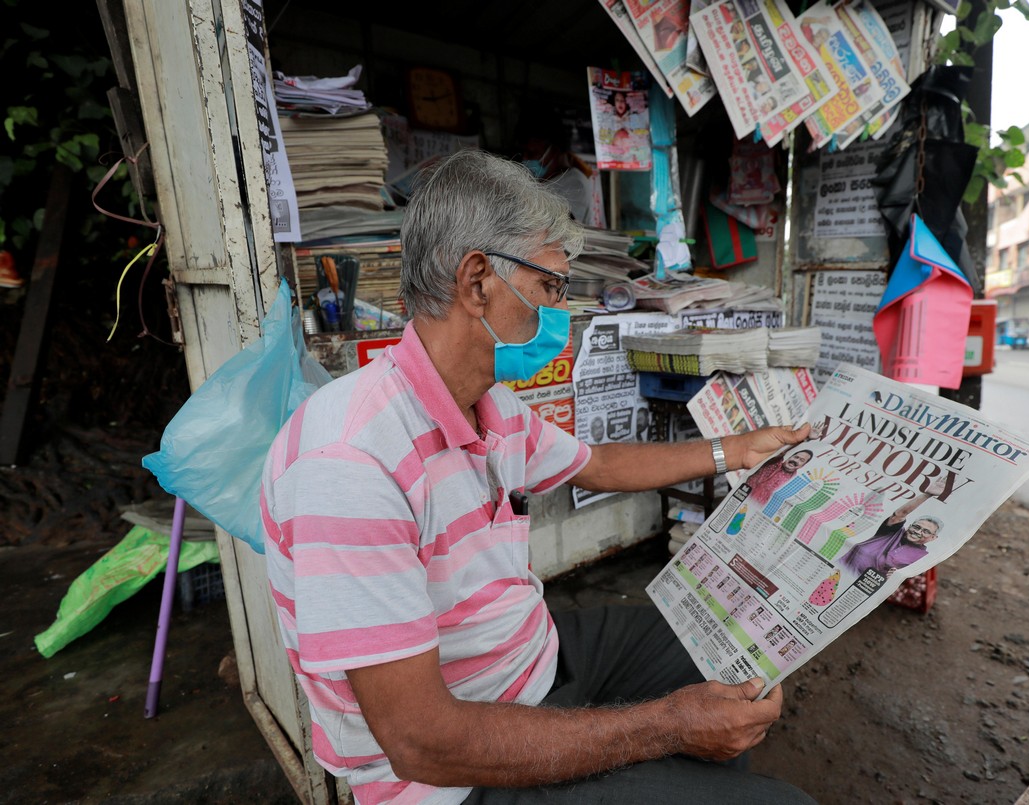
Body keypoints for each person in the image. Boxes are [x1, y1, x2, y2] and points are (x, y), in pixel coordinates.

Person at [260, 149, 817, 805]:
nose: (561, 310)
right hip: (450, 779)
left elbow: (600, 463)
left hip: (532, 660)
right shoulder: (351, 462)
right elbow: (420, 741)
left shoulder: (492, 406)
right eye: (553, 286)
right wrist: (666, 726)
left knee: (735, 646)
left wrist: (738, 448)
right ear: (477, 282)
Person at [840, 476, 947, 578]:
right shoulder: (892, 531)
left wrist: (892, 578)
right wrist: (926, 495)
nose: (918, 532)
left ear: (933, 537)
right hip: (839, 570)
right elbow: (900, 514)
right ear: (909, 526)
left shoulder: (921, 558)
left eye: (926, 531)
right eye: (916, 527)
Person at [515, 105, 599, 226]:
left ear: (554, 150)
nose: (525, 159)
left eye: (532, 153)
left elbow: (560, 231)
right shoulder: (537, 182)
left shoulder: (575, 185)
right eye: (523, 153)